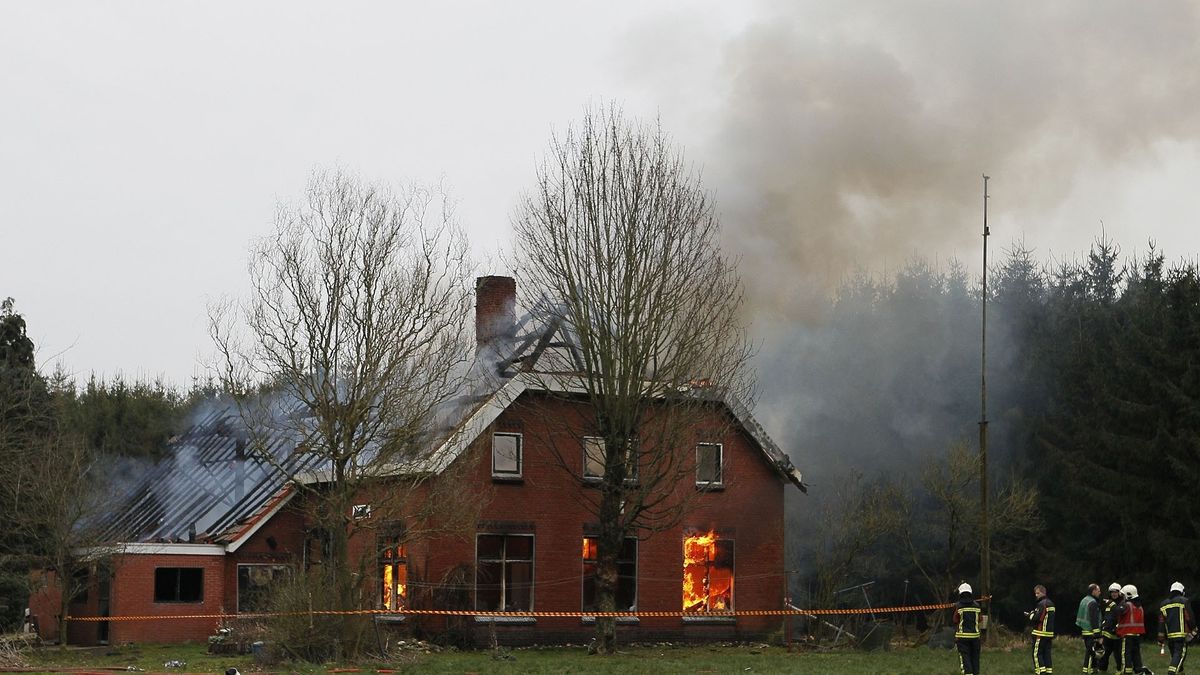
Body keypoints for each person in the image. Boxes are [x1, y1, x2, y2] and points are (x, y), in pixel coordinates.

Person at [1158, 581, 1193, 675]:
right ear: (1181, 591)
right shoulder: (1184, 601)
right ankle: (1171, 673)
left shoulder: (1163, 604)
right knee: (1178, 660)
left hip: (1170, 638)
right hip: (1182, 637)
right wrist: (1194, 630)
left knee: (1177, 660)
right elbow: (1189, 618)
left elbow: (1161, 622)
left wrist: (1161, 639)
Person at [1115, 584, 1147, 675]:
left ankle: (1127, 672)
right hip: (1137, 635)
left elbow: (1117, 611)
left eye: (1123, 596)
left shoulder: (1127, 605)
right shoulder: (1140, 607)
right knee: (1136, 656)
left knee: (1126, 656)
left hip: (1127, 635)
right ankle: (1139, 671)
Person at [953, 582, 982, 675]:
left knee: (965, 660)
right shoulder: (977, 606)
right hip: (975, 638)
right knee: (975, 660)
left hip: (962, 638)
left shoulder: (958, 606)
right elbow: (980, 619)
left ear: (960, 594)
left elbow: (954, 620)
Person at [1028, 584, 1056, 674]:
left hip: (1040, 633)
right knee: (1047, 654)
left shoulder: (1042, 604)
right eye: (1035, 593)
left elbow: (1037, 618)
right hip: (1049, 634)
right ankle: (1048, 672)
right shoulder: (1051, 603)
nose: (1036, 595)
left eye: (1038, 593)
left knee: (1036, 654)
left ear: (1043, 593)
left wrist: (1030, 615)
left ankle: (1040, 672)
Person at [1099, 582, 1124, 673]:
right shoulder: (1107, 603)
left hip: (1118, 635)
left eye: (1116, 592)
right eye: (1112, 592)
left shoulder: (1122, 603)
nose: (1114, 594)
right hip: (1107, 633)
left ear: (1119, 592)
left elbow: (1119, 613)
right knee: (1104, 654)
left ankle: (1119, 670)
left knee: (1118, 655)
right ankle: (1102, 670)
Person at [1078, 583, 1103, 674]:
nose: (1100, 592)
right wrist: (1098, 635)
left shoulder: (1084, 600)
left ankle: (1092, 670)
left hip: (1085, 630)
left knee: (1090, 652)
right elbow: (1094, 619)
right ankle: (1087, 671)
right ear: (1094, 591)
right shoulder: (1093, 602)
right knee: (1091, 653)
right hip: (1091, 632)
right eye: (1098, 590)